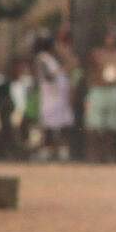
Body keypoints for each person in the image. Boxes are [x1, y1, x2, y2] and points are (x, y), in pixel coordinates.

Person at [84, 24, 116, 162]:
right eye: (108, 37)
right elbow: (89, 71)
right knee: (94, 124)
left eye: (113, 38)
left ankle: (108, 153)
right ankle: (93, 154)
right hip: (98, 90)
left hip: (114, 90)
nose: (110, 40)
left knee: (112, 125)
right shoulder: (96, 53)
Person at [31, 32, 76, 160]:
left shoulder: (53, 58)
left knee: (62, 125)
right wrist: (63, 70)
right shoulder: (42, 58)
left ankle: (62, 151)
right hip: (50, 97)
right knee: (49, 126)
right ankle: (46, 151)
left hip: (59, 97)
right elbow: (47, 77)